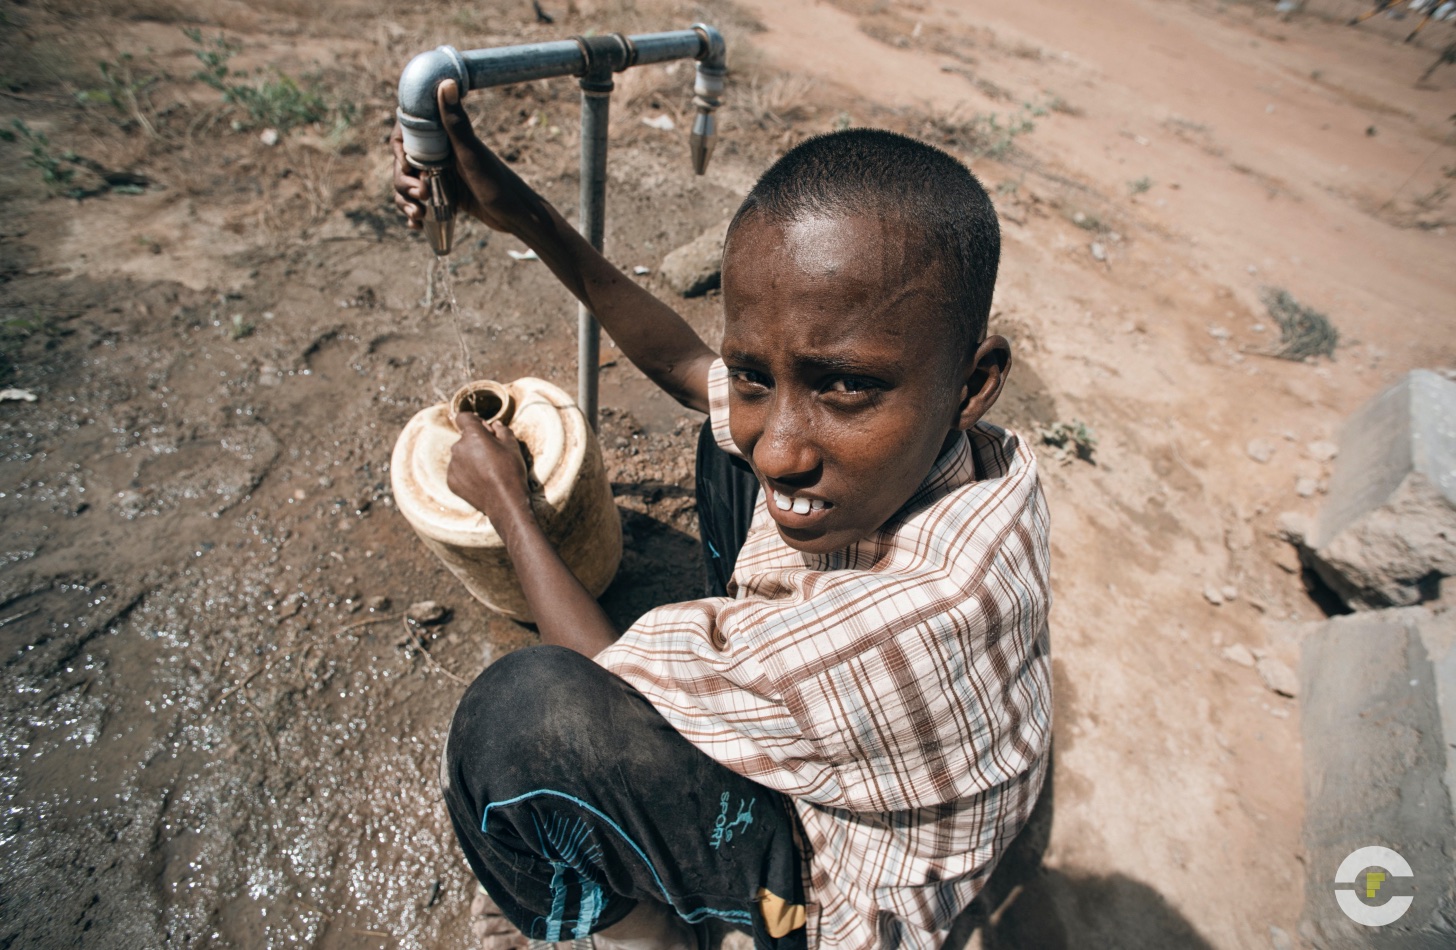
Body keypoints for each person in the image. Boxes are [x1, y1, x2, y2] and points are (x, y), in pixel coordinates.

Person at [392, 79, 1051, 950]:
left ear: (973, 383)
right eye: (756, 376)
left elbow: (602, 685)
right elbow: (686, 363)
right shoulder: (978, 457)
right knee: (727, 445)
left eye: (845, 384)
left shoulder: (914, 621)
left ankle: (655, 936)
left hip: (818, 905)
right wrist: (522, 214)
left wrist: (510, 504)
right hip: (852, 727)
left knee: (519, 722)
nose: (780, 446)